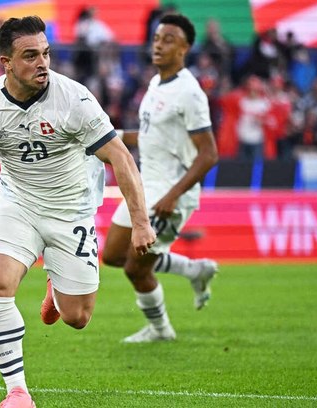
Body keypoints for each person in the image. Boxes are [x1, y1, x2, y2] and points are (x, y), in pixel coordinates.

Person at [0, 16, 155, 408]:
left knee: (78, 317)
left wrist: (140, 222)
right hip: (19, 204)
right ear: (6, 62)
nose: (42, 63)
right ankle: (17, 392)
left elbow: (120, 158)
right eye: (30, 56)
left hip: (71, 209)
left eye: (46, 53)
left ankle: (56, 289)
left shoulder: (73, 99)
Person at [101, 14, 220, 343]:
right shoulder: (155, 84)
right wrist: (113, 137)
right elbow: (153, 135)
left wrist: (172, 196)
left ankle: (160, 329)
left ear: (185, 48)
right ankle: (193, 270)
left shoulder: (190, 93)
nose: (158, 44)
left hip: (170, 192)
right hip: (144, 184)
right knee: (111, 255)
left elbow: (209, 153)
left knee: (135, 269)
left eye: (168, 39)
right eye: (156, 38)